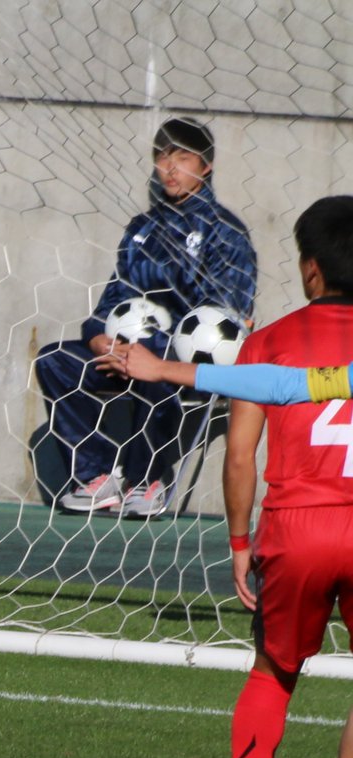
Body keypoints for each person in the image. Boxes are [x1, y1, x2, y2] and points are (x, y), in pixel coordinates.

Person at [108, 196, 353, 758]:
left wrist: (240, 545)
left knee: (274, 670)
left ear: (310, 271)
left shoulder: (273, 344)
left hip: (298, 527)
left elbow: (243, 451)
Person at [34, 117, 255, 519]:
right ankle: (97, 477)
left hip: (183, 361)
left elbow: (224, 314)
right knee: (54, 360)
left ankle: (146, 481)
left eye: (183, 158)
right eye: (162, 158)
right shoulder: (141, 229)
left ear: (206, 166)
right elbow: (111, 299)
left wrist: (152, 351)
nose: (170, 168)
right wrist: (100, 339)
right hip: (125, 351)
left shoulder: (226, 232)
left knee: (156, 358)